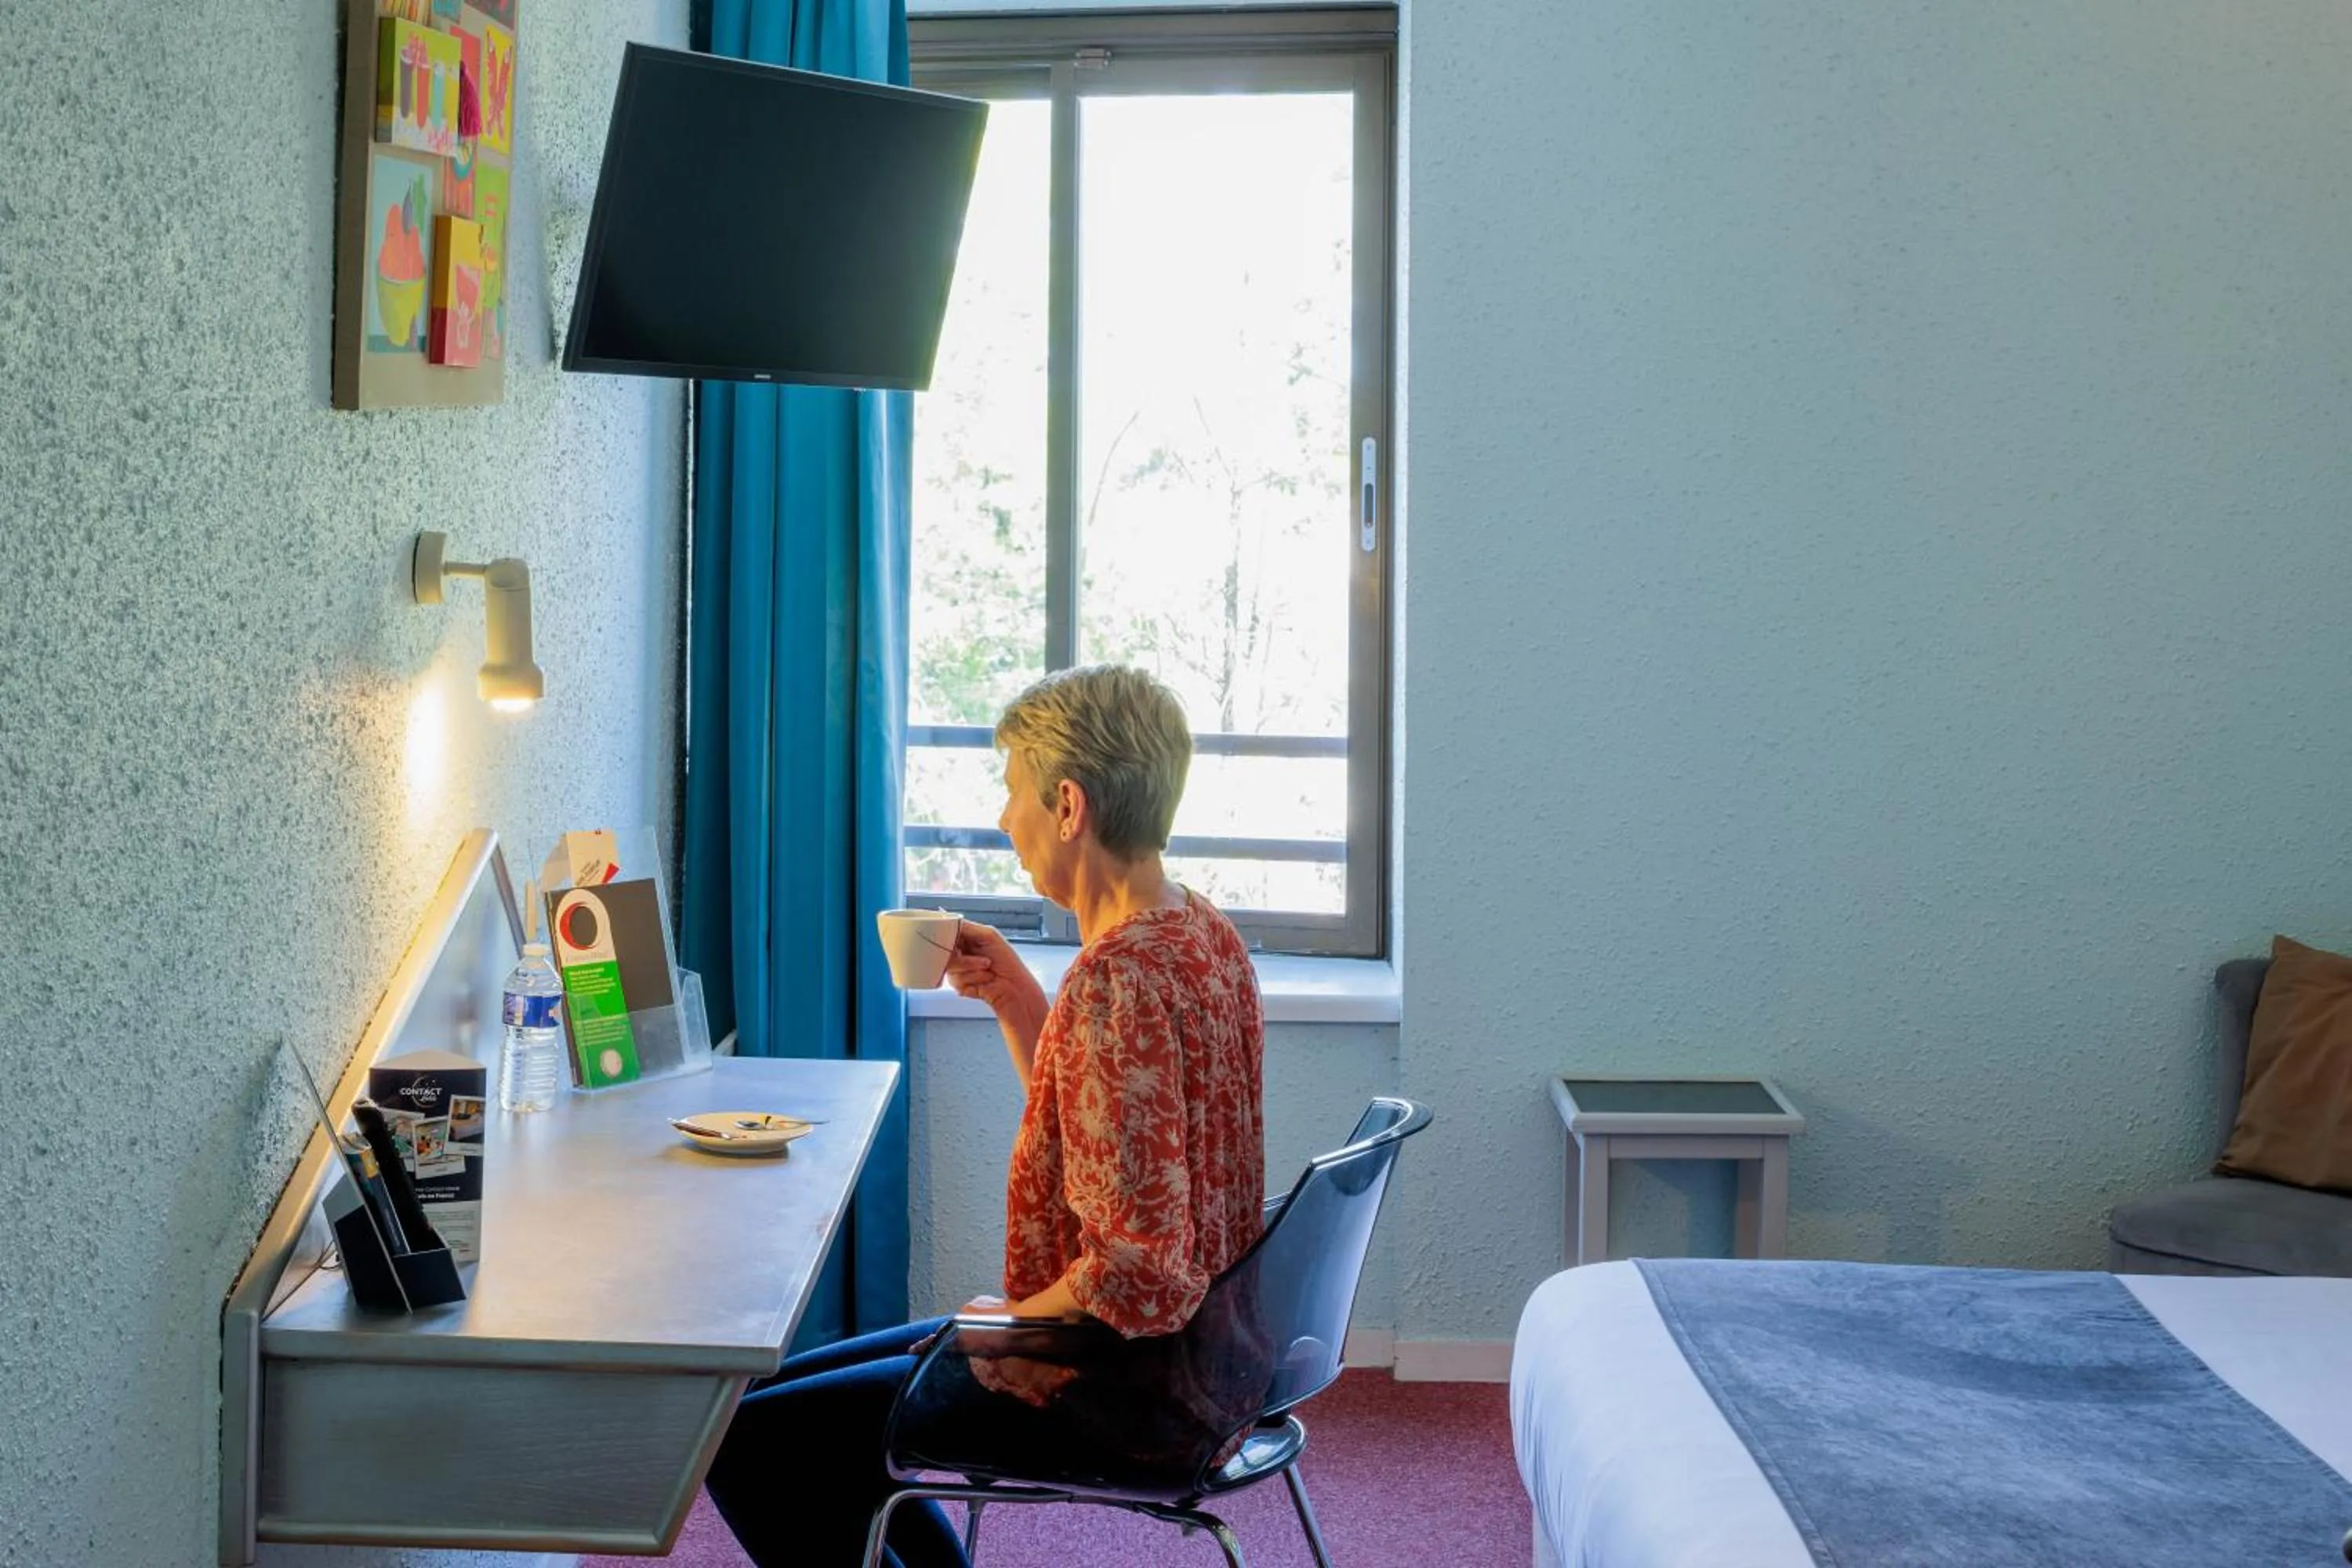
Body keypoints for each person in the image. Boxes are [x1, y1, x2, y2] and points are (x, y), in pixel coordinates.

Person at [703, 665, 1269, 1568]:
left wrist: (1001, 1327)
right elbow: (1121, 1134)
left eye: (1014, 792)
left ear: (1070, 804)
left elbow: (1139, 1273)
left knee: (742, 1439)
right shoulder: (1201, 933)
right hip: (1208, 1362)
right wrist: (1015, 997)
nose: (1006, 818)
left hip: (1120, 1385)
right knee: (770, 1398)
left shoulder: (1116, 980)